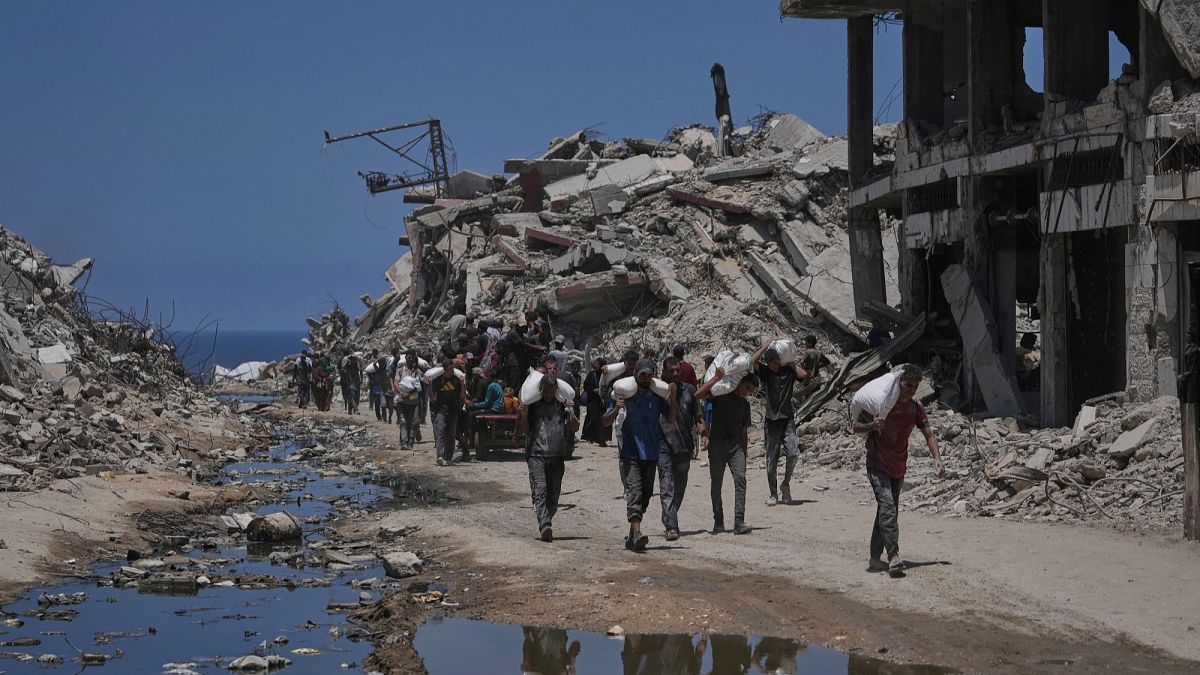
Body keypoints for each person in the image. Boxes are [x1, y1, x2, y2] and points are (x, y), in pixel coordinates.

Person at [852, 364, 944, 576]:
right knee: (888, 508)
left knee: (886, 511)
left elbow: (928, 434)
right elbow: (855, 426)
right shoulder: (882, 404)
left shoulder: (915, 407)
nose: (910, 390)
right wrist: (871, 426)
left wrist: (937, 459)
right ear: (898, 383)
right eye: (907, 385)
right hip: (877, 465)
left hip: (899, 466)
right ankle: (893, 556)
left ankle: (875, 558)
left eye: (915, 386)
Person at [603, 359, 676, 552]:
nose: (645, 378)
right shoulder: (624, 395)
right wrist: (616, 409)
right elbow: (605, 421)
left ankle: (632, 537)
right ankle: (637, 533)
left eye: (648, 374)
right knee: (634, 494)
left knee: (646, 496)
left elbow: (670, 418)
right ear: (635, 374)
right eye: (642, 374)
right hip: (630, 453)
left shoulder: (657, 397)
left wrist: (674, 398)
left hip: (651, 453)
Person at [697, 368, 759, 535]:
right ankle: (718, 521)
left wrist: (744, 452)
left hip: (736, 448)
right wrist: (716, 379)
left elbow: (744, 432)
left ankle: (739, 521)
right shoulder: (720, 395)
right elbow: (698, 394)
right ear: (740, 382)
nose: (747, 393)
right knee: (716, 484)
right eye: (747, 387)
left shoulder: (745, 405)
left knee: (740, 479)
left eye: (751, 391)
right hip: (717, 447)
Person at [518, 375, 578, 541]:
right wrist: (524, 414)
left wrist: (571, 412)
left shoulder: (562, 405)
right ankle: (545, 525)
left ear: (556, 391)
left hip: (557, 456)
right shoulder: (534, 405)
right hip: (536, 455)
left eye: (552, 392)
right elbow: (525, 430)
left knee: (554, 497)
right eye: (546, 392)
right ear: (540, 390)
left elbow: (575, 427)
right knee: (540, 489)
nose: (549, 395)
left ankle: (545, 519)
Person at [751, 341, 808, 506]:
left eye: (776, 362)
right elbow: (753, 361)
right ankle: (773, 493)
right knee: (771, 460)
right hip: (771, 421)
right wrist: (766, 346)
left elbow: (804, 374)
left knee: (793, 453)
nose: (774, 366)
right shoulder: (766, 373)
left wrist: (789, 362)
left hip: (787, 419)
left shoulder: (788, 371)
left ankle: (785, 484)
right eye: (771, 364)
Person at [658, 355, 702, 541]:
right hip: (663, 446)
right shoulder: (658, 391)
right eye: (671, 371)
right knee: (667, 484)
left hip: (684, 447)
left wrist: (704, 433)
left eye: (678, 370)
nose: (675, 373)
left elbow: (698, 416)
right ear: (664, 372)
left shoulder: (690, 390)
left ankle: (669, 514)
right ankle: (671, 526)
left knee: (680, 487)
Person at [428, 358, 467, 466]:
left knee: (451, 435)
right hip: (441, 410)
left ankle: (448, 457)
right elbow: (432, 397)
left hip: (453, 411)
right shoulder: (438, 381)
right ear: (444, 369)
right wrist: (430, 384)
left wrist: (463, 384)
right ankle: (440, 456)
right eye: (450, 369)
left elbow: (462, 396)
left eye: (453, 368)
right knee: (440, 432)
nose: (452, 371)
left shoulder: (456, 381)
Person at [582, 357, 612, 447]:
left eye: (598, 364)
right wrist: (593, 390)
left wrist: (603, 391)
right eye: (596, 363)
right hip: (593, 401)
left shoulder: (606, 375)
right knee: (593, 419)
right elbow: (586, 386)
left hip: (603, 401)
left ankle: (602, 439)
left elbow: (610, 385)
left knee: (603, 420)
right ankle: (590, 437)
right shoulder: (591, 374)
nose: (595, 365)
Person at [367, 356, 390, 421]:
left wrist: (378, 360)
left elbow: (374, 364)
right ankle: (382, 418)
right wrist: (378, 359)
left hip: (379, 386)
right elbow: (374, 364)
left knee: (381, 403)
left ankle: (381, 417)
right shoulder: (380, 370)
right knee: (380, 402)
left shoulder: (380, 370)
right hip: (378, 386)